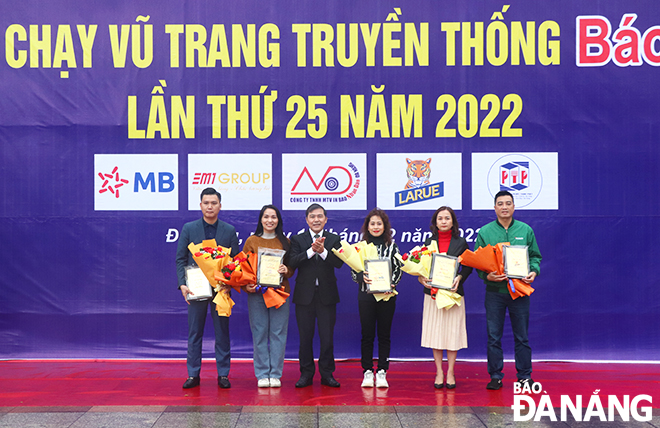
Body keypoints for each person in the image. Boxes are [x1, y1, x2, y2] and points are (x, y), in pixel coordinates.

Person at [475, 190, 542, 390]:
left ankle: (525, 376)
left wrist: (534, 271)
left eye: (508, 203)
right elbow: (478, 263)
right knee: (493, 336)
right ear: (494, 207)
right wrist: (486, 276)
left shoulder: (526, 230)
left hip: (520, 291)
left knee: (522, 336)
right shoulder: (485, 232)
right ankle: (495, 375)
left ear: (514, 206)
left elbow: (535, 257)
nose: (504, 207)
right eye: (500, 204)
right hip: (495, 292)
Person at [175, 187, 239, 389]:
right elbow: (180, 258)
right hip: (196, 288)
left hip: (221, 289)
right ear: (200, 205)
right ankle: (193, 374)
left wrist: (229, 284)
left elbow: (235, 262)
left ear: (220, 205)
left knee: (222, 331)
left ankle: (223, 374)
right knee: (195, 332)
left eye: (214, 203)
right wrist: (183, 284)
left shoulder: (228, 230)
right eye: (206, 203)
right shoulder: (189, 228)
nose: (210, 206)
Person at [417, 207, 473, 389]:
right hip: (433, 294)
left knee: (452, 333)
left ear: (452, 221)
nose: (443, 221)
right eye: (440, 218)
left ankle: (451, 372)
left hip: (453, 294)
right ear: (435, 222)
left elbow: (468, 266)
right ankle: (439, 371)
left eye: (447, 218)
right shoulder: (429, 242)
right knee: (436, 332)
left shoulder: (461, 242)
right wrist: (421, 277)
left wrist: (460, 277)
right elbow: (421, 266)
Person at [289, 203, 344, 388]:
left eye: (320, 216)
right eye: (312, 216)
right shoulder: (297, 239)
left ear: (326, 219)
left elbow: (339, 263)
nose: (316, 220)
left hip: (327, 296)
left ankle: (327, 374)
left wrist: (324, 252)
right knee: (305, 337)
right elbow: (292, 261)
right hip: (304, 296)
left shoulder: (334, 239)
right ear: (307, 219)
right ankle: (306, 374)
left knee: (327, 337)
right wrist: (312, 251)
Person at [350, 208, 402, 388]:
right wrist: (360, 277)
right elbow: (353, 271)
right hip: (366, 296)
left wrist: (392, 283)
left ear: (385, 226)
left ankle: (382, 371)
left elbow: (399, 268)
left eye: (379, 223)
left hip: (387, 297)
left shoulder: (392, 246)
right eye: (372, 223)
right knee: (367, 335)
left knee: (384, 335)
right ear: (367, 226)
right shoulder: (360, 246)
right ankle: (366, 371)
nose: (376, 227)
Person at [243, 205, 294, 388]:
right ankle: (262, 374)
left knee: (279, 333)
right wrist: (246, 284)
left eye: (273, 217)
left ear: (278, 220)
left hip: (280, 293)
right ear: (261, 219)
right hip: (257, 295)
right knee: (259, 333)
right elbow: (243, 267)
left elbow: (292, 268)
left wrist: (286, 269)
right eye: (266, 217)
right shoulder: (252, 241)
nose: (270, 220)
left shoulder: (285, 241)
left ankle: (276, 374)